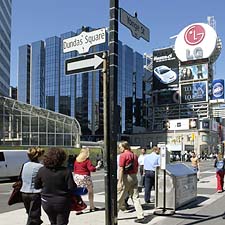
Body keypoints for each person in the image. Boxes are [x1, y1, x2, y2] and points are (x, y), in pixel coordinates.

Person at [35, 147, 77, 225]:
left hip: (46, 202)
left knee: (53, 222)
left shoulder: (41, 170)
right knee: (62, 222)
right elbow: (71, 187)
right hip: (62, 202)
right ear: (62, 158)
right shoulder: (66, 171)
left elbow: (36, 186)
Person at [117, 141, 145, 223]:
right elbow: (137, 167)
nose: (119, 149)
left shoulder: (123, 155)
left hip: (126, 177)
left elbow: (121, 169)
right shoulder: (134, 155)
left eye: (120, 147)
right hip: (134, 176)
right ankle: (140, 216)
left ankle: (113, 215)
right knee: (135, 197)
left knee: (120, 196)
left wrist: (120, 181)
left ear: (124, 147)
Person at [20, 147, 45, 225]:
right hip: (35, 193)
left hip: (24, 192)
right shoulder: (40, 167)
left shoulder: (25, 165)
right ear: (39, 156)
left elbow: (20, 178)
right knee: (34, 217)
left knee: (30, 214)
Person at [73, 148, 100, 214]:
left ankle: (78, 209)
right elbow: (91, 169)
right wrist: (97, 166)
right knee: (90, 191)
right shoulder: (87, 160)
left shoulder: (77, 160)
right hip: (85, 176)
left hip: (77, 176)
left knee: (78, 192)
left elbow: (74, 169)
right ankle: (92, 206)